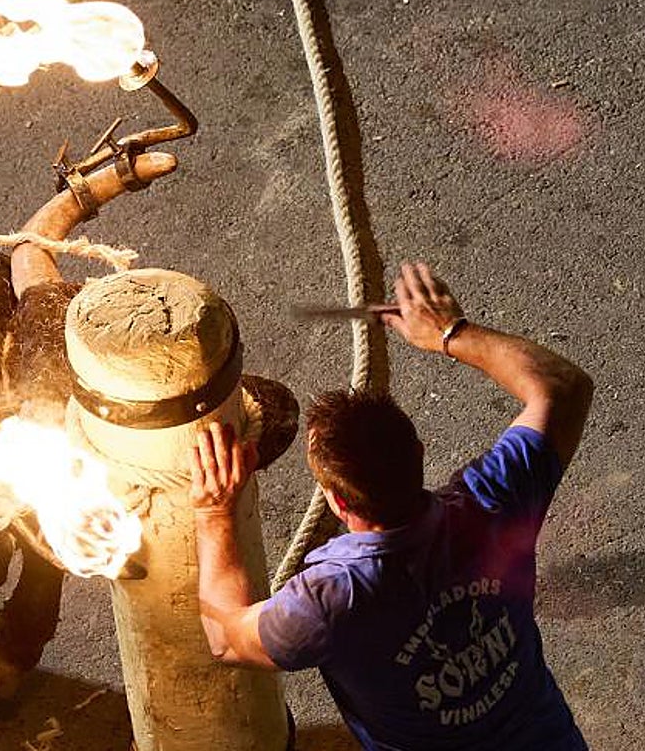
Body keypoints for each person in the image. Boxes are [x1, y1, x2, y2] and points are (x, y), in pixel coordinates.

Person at [190, 262, 593, 750]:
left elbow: (226, 638)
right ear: (419, 453)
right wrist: (452, 332)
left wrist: (213, 513)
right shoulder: (494, 501)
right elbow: (563, 388)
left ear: (338, 502)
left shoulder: (332, 599)